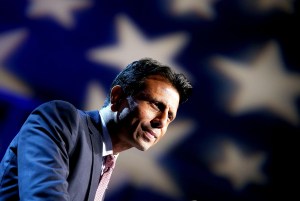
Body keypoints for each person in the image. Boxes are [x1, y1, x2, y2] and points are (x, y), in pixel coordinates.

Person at [0, 58, 192, 201]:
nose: (161, 122)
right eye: (157, 105)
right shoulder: (62, 119)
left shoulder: (105, 160)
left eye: (170, 116)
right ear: (117, 97)